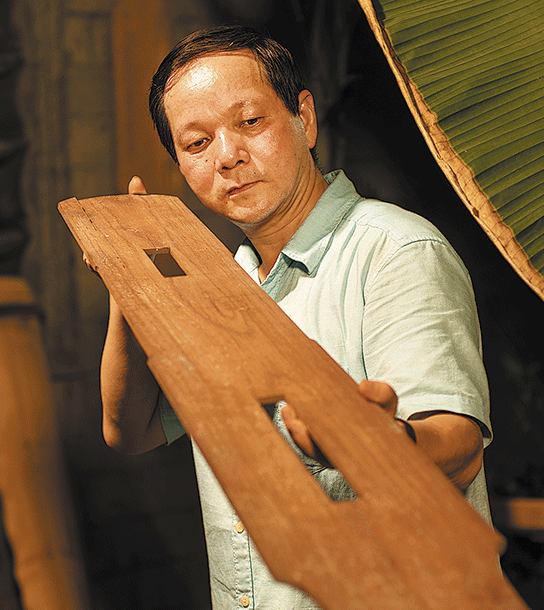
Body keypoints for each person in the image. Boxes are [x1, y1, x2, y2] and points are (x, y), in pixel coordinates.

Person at [98, 24, 492, 610]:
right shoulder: (217, 284)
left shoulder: (395, 252)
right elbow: (129, 431)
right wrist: (130, 279)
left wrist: (383, 443)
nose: (228, 156)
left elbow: (458, 446)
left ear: (304, 120)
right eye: (197, 143)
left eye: (250, 122)